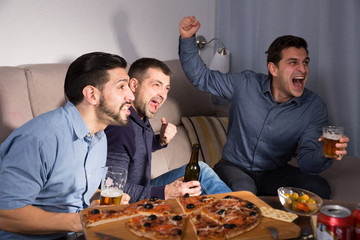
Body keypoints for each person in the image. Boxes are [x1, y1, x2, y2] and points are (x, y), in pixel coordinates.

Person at [178, 16, 350, 199]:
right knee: (246, 192)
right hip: (234, 168)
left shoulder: (313, 107)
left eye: (305, 62)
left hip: (274, 173)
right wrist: (188, 40)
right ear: (273, 69)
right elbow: (201, 78)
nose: (303, 69)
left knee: (318, 188)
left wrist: (324, 152)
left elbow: (307, 164)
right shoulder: (245, 84)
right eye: (293, 62)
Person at [0, 52, 134, 239]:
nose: (131, 95)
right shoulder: (40, 138)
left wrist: (100, 201)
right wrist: (82, 220)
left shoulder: (100, 137)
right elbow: (5, 213)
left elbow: (76, 193)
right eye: (121, 86)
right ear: (92, 95)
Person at [105, 57, 232, 203]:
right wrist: (165, 192)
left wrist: (159, 141)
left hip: (146, 187)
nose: (163, 95)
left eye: (166, 88)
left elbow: (135, 149)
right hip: (132, 200)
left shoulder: (141, 119)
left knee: (198, 179)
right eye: (156, 85)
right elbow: (112, 189)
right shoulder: (120, 127)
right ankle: (240, 210)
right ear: (133, 85)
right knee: (201, 173)